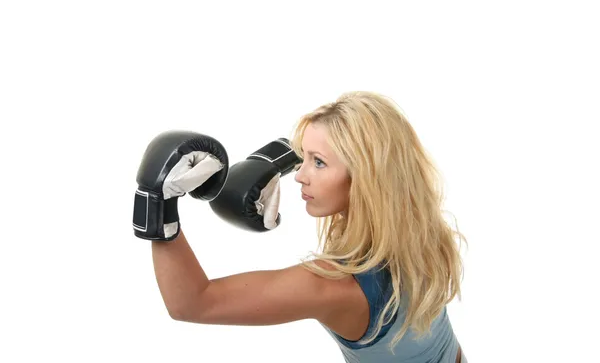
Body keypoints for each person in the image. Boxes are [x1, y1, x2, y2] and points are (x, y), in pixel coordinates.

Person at [132, 91, 467, 363]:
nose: (300, 175)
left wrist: (156, 201)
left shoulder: (334, 286)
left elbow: (192, 302)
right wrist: (283, 159)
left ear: (366, 179)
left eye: (318, 162)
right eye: (302, 157)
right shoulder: (421, 231)